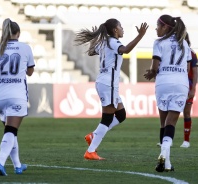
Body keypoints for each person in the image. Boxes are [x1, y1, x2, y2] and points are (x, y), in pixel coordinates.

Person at [75, 18, 149, 160]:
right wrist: (140, 36)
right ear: (115, 30)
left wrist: (95, 38)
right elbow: (125, 50)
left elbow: (91, 52)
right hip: (108, 83)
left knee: (121, 115)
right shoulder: (114, 42)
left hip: (107, 83)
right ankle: (91, 151)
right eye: (120, 26)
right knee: (107, 118)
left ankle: (93, 135)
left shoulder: (104, 42)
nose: (122, 29)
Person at [144, 14, 191, 172]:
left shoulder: (158, 43)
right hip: (181, 83)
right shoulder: (184, 43)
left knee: (163, 123)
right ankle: (167, 161)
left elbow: (155, 66)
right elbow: (189, 68)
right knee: (171, 124)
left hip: (163, 82)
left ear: (165, 27)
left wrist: (151, 73)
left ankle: (164, 156)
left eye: (158, 26)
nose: (156, 29)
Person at [0, 18, 35, 176]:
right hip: (17, 95)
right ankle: (0, 162)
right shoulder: (25, 48)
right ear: (18, 33)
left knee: (11, 132)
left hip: (0, 95)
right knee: (10, 131)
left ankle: (18, 165)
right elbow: (30, 72)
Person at [180, 33, 198, 148]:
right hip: (176, 85)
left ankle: (186, 140)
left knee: (186, 113)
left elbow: (195, 73)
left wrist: (193, 89)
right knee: (170, 113)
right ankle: (166, 140)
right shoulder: (174, 51)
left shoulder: (192, 53)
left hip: (187, 86)